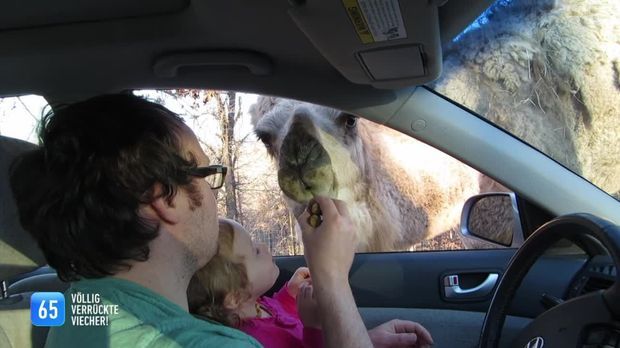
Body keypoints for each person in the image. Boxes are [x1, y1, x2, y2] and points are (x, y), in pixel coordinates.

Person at [9, 93, 427, 348]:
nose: (214, 195)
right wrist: (332, 279)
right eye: (206, 175)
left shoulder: (83, 310)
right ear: (163, 199)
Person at [188, 218, 434, 348]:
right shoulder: (252, 340)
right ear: (234, 296)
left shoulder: (257, 305)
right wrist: (314, 326)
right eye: (254, 251)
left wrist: (289, 296)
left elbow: (276, 313)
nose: (263, 247)